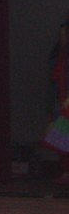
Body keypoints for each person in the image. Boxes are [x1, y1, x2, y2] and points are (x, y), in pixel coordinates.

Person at [44, 10, 69, 184]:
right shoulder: (61, 56)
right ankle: (66, 170)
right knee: (61, 137)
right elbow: (54, 82)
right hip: (62, 99)